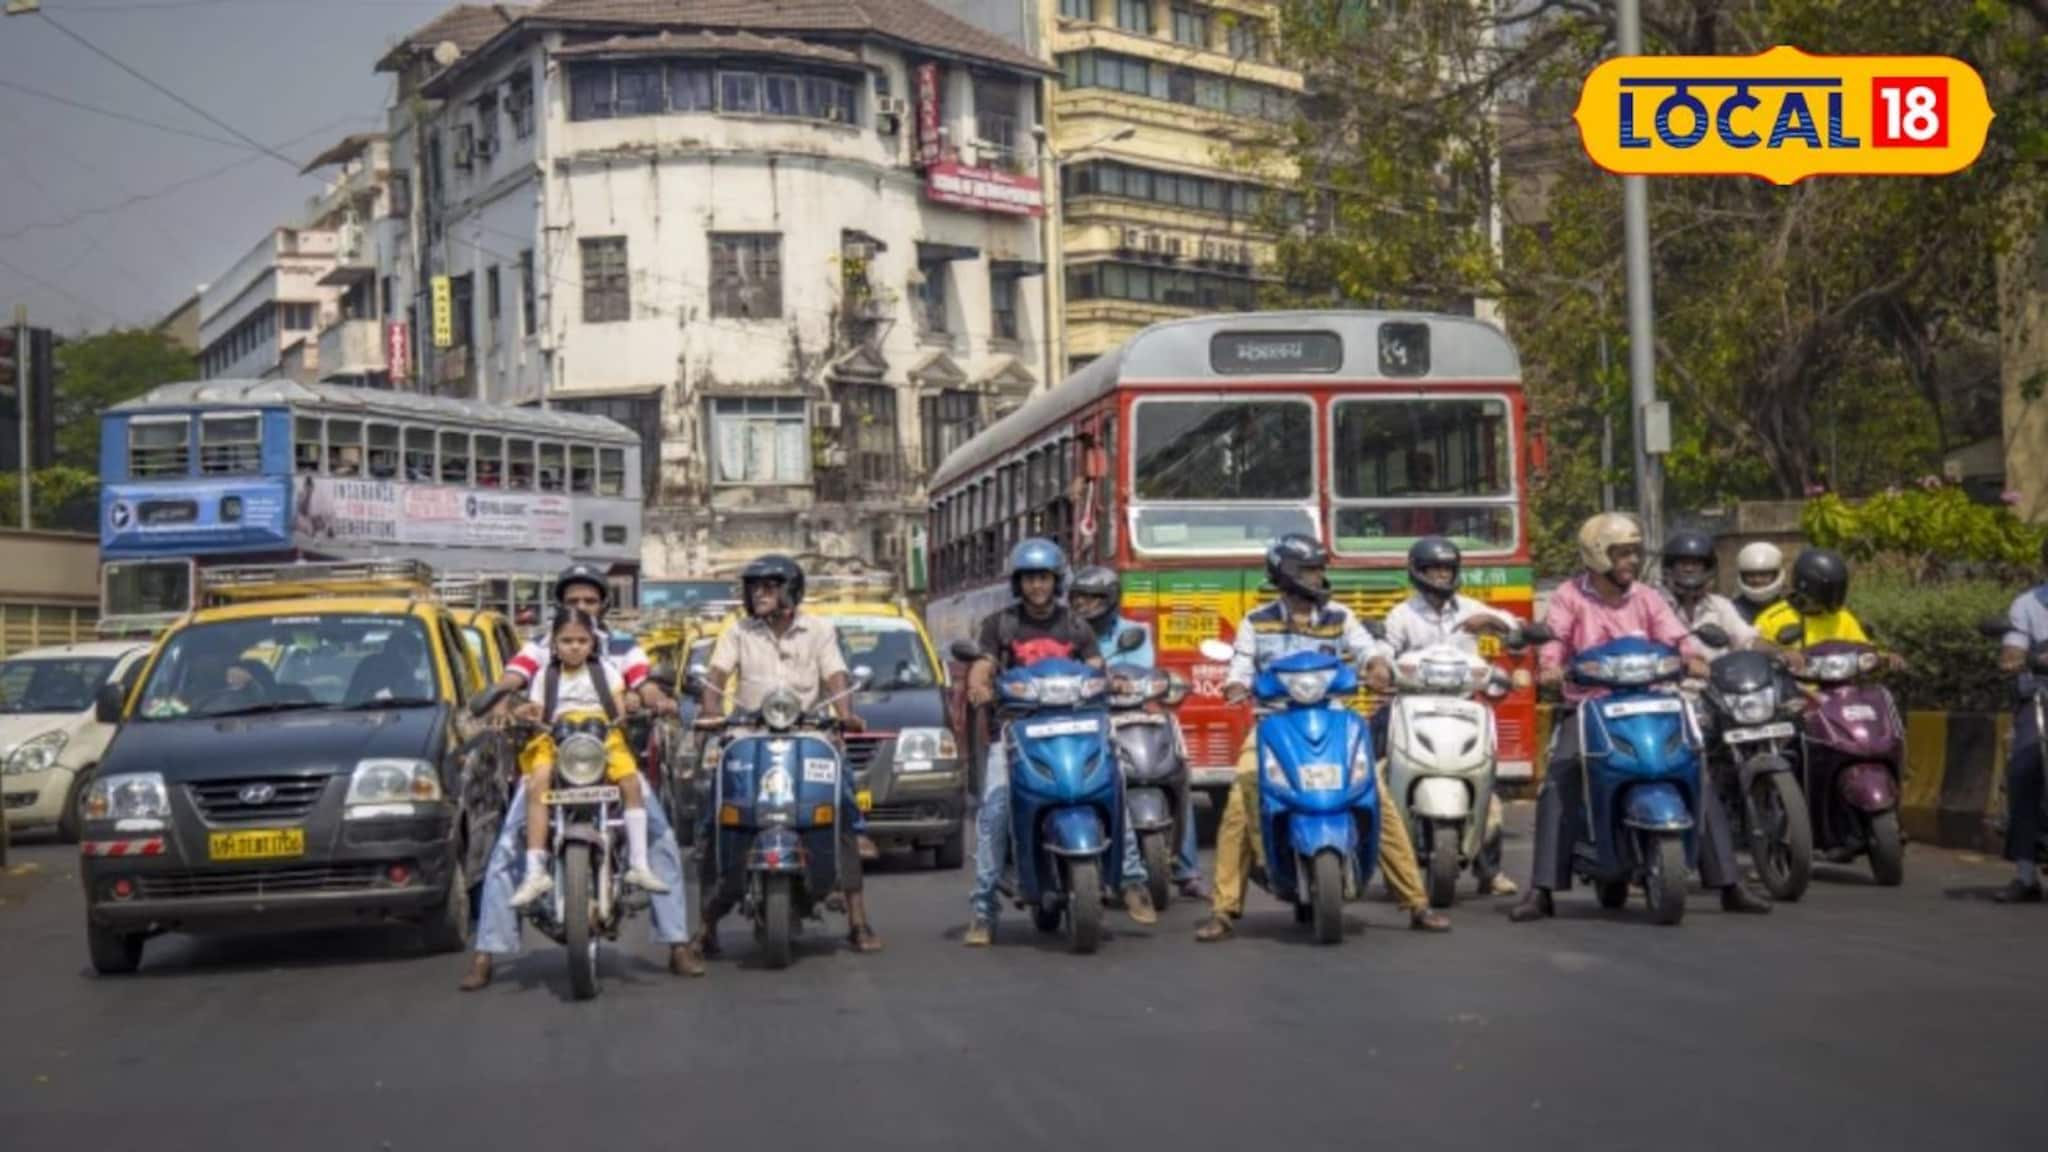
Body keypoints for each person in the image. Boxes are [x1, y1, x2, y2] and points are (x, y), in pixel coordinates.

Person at [1509, 512, 1773, 922]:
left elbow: (1676, 637)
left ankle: (1730, 884)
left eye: (1634, 553)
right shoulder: (1569, 596)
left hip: (1651, 700)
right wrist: (1550, 666)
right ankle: (1542, 890)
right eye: (1622, 553)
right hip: (1589, 706)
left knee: (1695, 770)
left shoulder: (1647, 598)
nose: (1632, 561)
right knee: (1560, 778)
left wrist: (1693, 658)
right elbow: (1555, 639)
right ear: (1598, 556)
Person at [1195, 534, 1453, 941]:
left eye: (1320, 570)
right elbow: (1241, 667)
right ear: (1287, 575)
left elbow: (1368, 651)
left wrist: (1378, 668)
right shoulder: (1256, 622)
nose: (1318, 577)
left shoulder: (1341, 618)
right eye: (1310, 570)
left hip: (1334, 722)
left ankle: (1417, 903)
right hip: (1274, 725)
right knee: (1239, 804)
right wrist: (1235, 686)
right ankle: (1224, 909)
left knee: (1376, 799)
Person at [463, 565, 698, 991]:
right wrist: (502, 700)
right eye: (574, 602)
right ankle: (487, 952)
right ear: (561, 607)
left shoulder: (623, 646)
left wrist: (655, 699)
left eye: (590, 601)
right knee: (508, 842)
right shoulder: (539, 645)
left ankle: (678, 942)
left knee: (661, 833)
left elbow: (642, 682)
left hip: (605, 750)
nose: (582, 608)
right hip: (553, 750)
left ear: (603, 606)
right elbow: (515, 677)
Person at [961, 540, 1159, 947]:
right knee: (995, 810)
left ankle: (1133, 879)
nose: (1038, 586)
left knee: (1116, 786)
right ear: (1020, 583)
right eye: (1030, 579)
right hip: (1017, 730)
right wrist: (979, 686)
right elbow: (982, 664)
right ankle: (983, 909)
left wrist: (1112, 680)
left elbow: (1094, 665)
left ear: (1056, 582)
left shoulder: (1075, 626)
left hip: (1077, 726)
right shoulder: (1001, 625)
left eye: (1045, 578)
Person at [693, 554, 883, 954]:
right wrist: (709, 712)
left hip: (807, 733)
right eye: (754, 586)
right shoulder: (737, 631)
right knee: (715, 814)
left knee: (841, 803)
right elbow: (717, 676)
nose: (758, 594)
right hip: (748, 734)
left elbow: (835, 675)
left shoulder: (819, 630)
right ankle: (706, 923)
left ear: (791, 591)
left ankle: (858, 918)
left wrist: (845, 715)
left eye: (768, 586)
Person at [1374, 536, 1521, 898]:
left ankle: (1490, 871)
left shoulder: (1472, 609)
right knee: (1370, 769)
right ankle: (1377, 862)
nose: (1441, 576)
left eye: (1446, 569)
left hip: (1464, 707)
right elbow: (1383, 649)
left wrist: (1495, 623)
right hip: (1411, 705)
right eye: (1432, 569)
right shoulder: (1402, 615)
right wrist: (1378, 666)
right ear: (1417, 573)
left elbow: (1516, 631)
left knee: (1487, 780)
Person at [507, 609, 668, 907]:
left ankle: (639, 864)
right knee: (537, 783)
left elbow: (618, 711)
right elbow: (538, 711)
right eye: (567, 640)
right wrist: (525, 713)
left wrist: (631, 705)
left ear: (592, 642)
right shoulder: (545, 675)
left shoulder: (605, 671)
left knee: (631, 783)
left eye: (582, 640)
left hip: (602, 739)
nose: (575, 647)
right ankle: (534, 871)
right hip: (556, 739)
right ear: (554, 643)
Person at [1070, 565, 1206, 900]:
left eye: (1093, 598)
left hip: (1131, 715)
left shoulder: (1136, 632)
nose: (1085, 605)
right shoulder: (1067, 634)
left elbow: (1142, 672)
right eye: (1080, 598)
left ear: (1111, 600)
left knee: (1176, 772)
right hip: (1088, 717)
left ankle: (1187, 869)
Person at [1993, 539, 2048, 904]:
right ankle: (2026, 874)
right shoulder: (2027, 605)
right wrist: (2017, 660)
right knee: (2026, 766)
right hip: (2042, 696)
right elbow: (2011, 654)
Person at [1659, 531, 1757, 659]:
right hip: (1671, 676)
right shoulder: (1655, 605)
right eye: (1683, 563)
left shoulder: (1720, 606)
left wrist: (1781, 652)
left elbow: (1746, 639)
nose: (1689, 569)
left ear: (1707, 569)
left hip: (1716, 676)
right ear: (1669, 568)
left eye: (1695, 564)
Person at [1733, 542, 1788, 625]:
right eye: (1750, 575)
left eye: (1764, 574)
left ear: (1776, 575)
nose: (1757, 580)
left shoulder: (1789, 610)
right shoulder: (1730, 612)